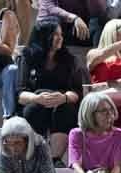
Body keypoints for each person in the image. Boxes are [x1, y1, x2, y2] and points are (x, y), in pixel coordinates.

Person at [17, 22, 86, 161]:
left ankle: (55, 160)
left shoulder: (69, 60)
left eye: (61, 34)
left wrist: (64, 98)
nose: (60, 38)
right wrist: (36, 98)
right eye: (55, 34)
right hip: (36, 101)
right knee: (34, 109)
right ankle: (36, 156)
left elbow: (77, 93)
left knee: (65, 110)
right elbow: (20, 94)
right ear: (43, 36)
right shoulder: (27, 57)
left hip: (62, 102)